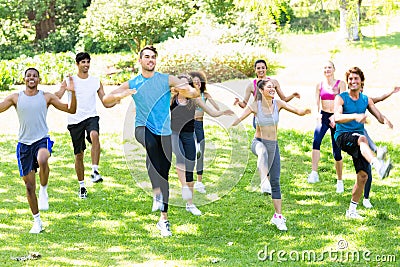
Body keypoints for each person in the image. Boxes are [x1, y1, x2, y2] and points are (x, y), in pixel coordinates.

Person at [102, 45, 198, 237]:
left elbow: (193, 93)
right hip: (142, 128)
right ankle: (157, 193)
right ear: (140, 61)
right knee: (151, 145)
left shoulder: (165, 79)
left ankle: (164, 219)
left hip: (164, 131)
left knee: (164, 172)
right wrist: (122, 95)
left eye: (153, 57)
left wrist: (186, 89)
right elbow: (106, 100)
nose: (150, 60)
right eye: (146, 57)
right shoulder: (134, 82)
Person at [0, 68, 76, 233]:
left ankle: (44, 190)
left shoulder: (46, 97)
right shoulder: (15, 97)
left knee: (42, 159)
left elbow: (70, 109)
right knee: (28, 187)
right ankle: (37, 221)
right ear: (24, 79)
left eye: (34, 76)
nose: (31, 78)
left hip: (41, 140)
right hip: (24, 145)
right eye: (29, 76)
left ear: (39, 79)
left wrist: (72, 92)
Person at [231, 79, 311, 231]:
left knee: (275, 181)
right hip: (259, 141)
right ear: (261, 90)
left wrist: (305, 111)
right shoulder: (256, 105)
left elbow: (296, 111)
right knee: (261, 152)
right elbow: (239, 118)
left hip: (273, 145)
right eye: (269, 87)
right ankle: (263, 181)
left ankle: (278, 217)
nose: (273, 89)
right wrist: (227, 121)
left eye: (274, 87)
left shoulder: (278, 104)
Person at [334, 66, 392, 219]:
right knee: (362, 138)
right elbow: (337, 117)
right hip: (343, 136)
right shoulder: (341, 97)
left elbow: (379, 116)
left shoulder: (365, 99)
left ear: (361, 81)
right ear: (347, 82)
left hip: (360, 142)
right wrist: (354, 116)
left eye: (356, 79)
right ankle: (378, 164)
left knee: (363, 176)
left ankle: (351, 211)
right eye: (350, 79)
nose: (353, 81)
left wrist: (385, 120)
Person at [170, 74, 234, 216]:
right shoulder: (172, 99)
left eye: (188, 84)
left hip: (188, 134)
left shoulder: (195, 100)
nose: (185, 87)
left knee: (190, 165)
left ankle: (190, 204)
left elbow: (211, 111)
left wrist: (222, 112)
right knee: (180, 159)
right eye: (182, 84)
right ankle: (184, 188)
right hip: (174, 134)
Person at [55, 52, 116, 199]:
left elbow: (105, 101)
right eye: (83, 62)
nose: (86, 65)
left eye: (88, 62)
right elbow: (57, 96)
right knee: (79, 155)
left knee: (94, 135)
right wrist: (65, 89)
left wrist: (118, 99)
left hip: (91, 116)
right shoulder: (70, 80)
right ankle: (82, 186)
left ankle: (95, 171)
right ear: (77, 64)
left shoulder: (95, 81)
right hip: (74, 119)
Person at [307, 61, 346, 194]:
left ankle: (340, 181)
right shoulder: (319, 85)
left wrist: (335, 117)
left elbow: (342, 103)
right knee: (316, 141)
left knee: (337, 150)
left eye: (329, 67)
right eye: (325, 68)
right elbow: (316, 103)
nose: (327, 69)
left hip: (336, 117)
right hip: (323, 116)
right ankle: (314, 173)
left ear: (334, 69)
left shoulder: (341, 84)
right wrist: (317, 115)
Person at [360, 86, 399, 208]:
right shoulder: (345, 99)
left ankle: (366, 198)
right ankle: (377, 150)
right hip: (350, 136)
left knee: (367, 169)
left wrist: (391, 92)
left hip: (362, 135)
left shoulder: (365, 100)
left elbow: (379, 99)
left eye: (361, 87)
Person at [233, 59, 300, 128]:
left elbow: (284, 99)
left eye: (263, 67)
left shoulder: (274, 82)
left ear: (266, 69)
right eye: (258, 68)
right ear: (255, 70)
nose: (261, 70)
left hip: (271, 116)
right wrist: (238, 102)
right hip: (259, 116)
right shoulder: (251, 86)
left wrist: (293, 95)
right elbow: (244, 105)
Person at [190, 71, 220, 194]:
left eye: (198, 81)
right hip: (190, 125)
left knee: (201, 153)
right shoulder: (190, 94)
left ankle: (199, 182)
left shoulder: (205, 94)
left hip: (199, 125)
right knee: (191, 153)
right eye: (194, 81)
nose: (197, 82)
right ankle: (188, 180)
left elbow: (216, 107)